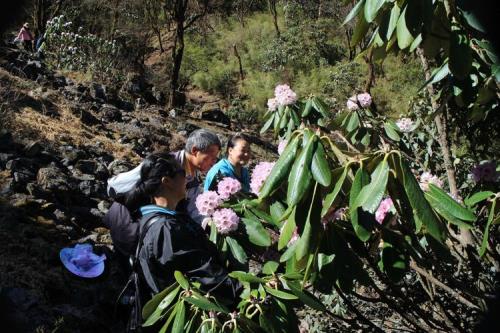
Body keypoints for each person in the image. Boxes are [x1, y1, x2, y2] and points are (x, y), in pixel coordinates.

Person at [123, 153, 240, 300]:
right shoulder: (165, 228)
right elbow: (203, 275)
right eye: (183, 173)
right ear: (167, 181)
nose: (188, 178)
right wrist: (245, 289)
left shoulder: (161, 218)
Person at [104, 129, 221, 257]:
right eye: (211, 157)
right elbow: (117, 185)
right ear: (195, 151)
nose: (213, 162)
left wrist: (210, 223)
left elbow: (193, 208)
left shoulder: (192, 176)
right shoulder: (164, 163)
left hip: (148, 227)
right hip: (127, 222)